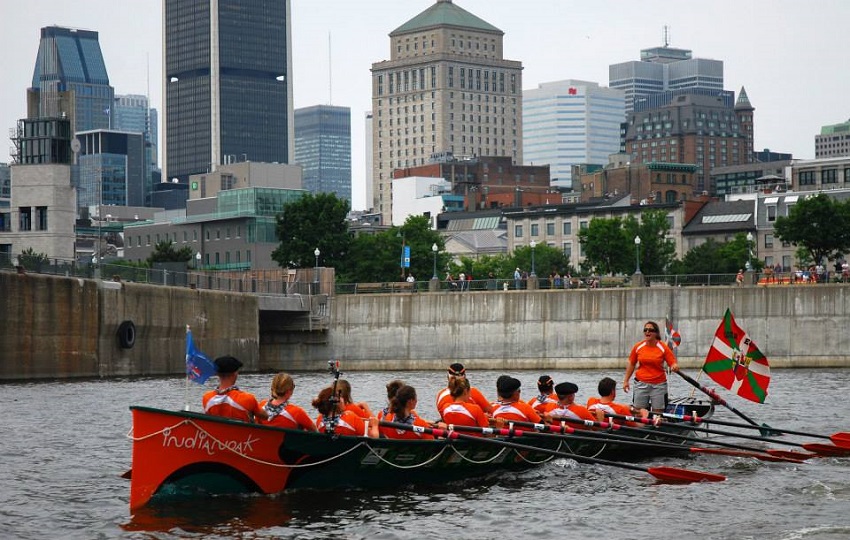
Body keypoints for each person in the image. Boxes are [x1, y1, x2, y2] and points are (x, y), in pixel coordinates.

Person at [622, 321, 679, 413]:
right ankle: (641, 426)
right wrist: (626, 381)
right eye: (645, 330)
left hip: (658, 385)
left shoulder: (663, 347)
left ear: (656, 333)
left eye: (650, 330)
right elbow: (631, 364)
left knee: (658, 413)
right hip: (641, 383)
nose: (647, 332)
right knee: (639, 412)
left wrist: (674, 366)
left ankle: (657, 424)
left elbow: (672, 362)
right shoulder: (638, 346)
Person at [203, 356, 267, 423]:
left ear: (217, 373)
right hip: (243, 432)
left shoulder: (206, 398)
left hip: (217, 432)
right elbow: (265, 416)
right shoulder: (247, 398)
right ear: (235, 373)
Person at [312, 386, 379, 437]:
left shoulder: (319, 419)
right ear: (338, 401)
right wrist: (375, 425)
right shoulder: (350, 416)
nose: (343, 399)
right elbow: (373, 437)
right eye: (340, 396)